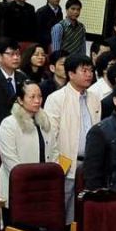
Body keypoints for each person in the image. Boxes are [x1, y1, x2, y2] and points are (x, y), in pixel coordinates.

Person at [42, 53, 100, 215]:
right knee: (62, 212)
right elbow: (50, 136)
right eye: (84, 71)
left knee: (84, 213)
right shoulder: (56, 98)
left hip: (89, 165)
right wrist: (57, 165)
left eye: (91, 70)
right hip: (66, 165)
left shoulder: (95, 98)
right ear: (71, 74)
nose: (89, 74)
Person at [0, 79, 58, 208]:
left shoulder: (46, 120)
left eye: (40, 96)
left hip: (44, 186)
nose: (37, 100)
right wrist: (30, 181)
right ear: (20, 100)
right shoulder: (9, 124)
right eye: (32, 97)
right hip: (18, 185)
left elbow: (54, 150)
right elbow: (9, 159)